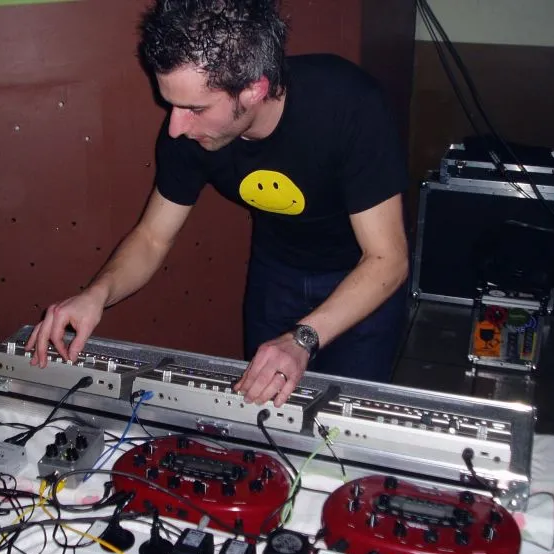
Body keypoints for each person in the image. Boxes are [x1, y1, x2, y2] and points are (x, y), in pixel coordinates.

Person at [27, 0, 409, 408]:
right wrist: (97, 294)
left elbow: (387, 259)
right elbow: (153, 237)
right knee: (268, 411)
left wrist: (302, 338)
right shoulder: (187, 130)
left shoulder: (347, 103)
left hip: (361, 278)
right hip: (276, 273)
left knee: (347, 419)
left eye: (195, 109)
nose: (176, 128)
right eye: (172, 105)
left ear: (254, 90)